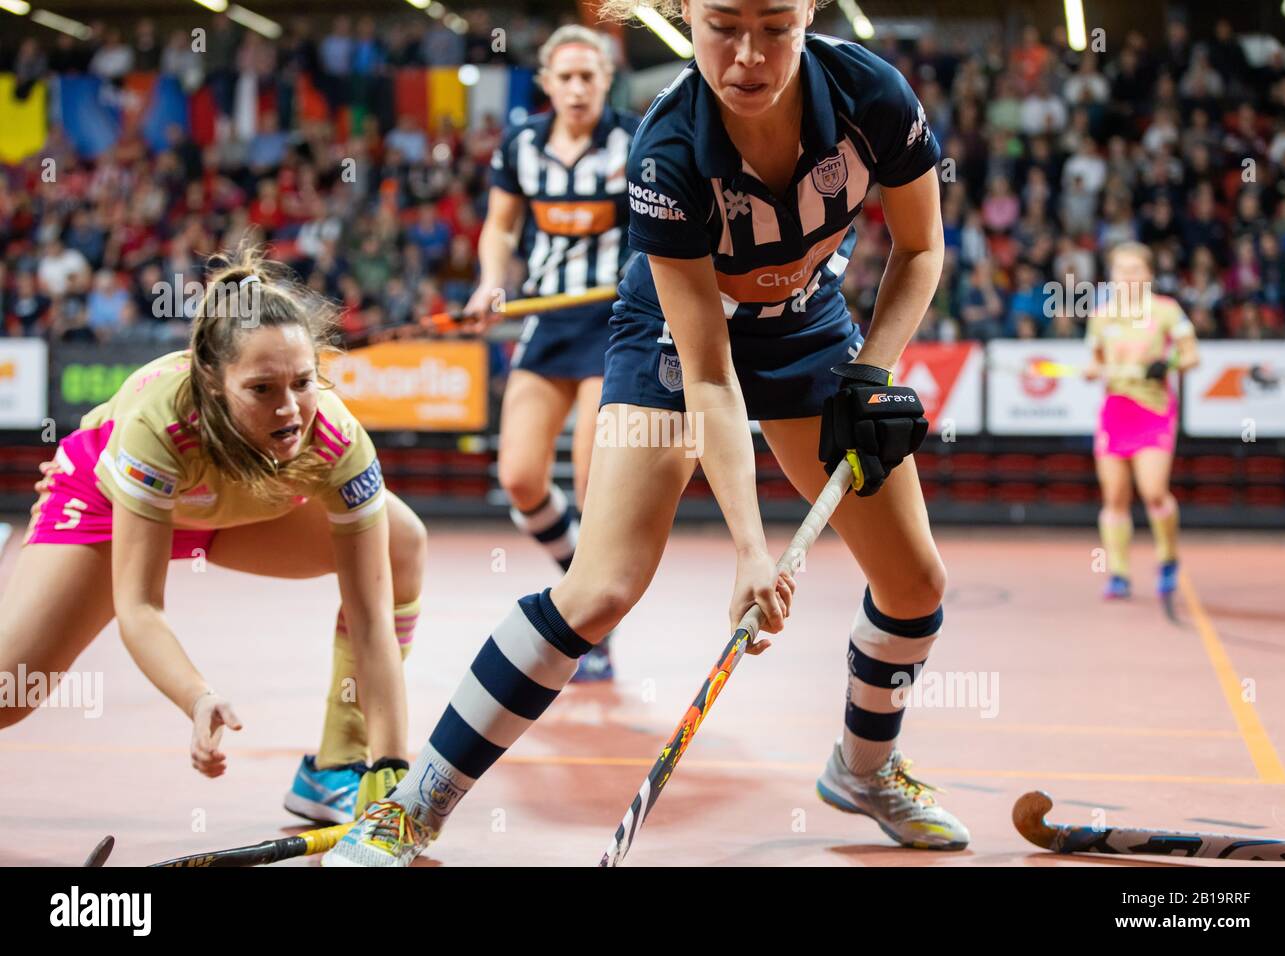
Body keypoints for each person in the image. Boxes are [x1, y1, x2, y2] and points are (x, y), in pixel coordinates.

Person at [325, 0, 966, 866]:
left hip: (810, 331)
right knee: (599, 590)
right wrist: (751, 550)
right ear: (685, 15)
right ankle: (413, 807)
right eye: (723, 26)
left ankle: (864, 769)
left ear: (810, 11)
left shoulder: (872, 95)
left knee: (916, 585)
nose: (748, 55)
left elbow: (920, 248)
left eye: (776, 27)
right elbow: (710, 373)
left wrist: (871, 373)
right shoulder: (667, 149)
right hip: (673, 337)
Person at [1, 249, 427, 825]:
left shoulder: (336, 438)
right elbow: (140, 607)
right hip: (113, 503)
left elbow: (373, 617)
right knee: (9, 694)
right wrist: (197, 696)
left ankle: (337, 767)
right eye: (262, 388)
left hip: (240, 509)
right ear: (213, 382)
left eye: (303, 383)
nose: (290, 410)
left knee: (402, 544)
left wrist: (392, 768)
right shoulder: (158, 424)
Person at [464, 25, 641, 681]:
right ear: (546, 83)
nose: (576, 88)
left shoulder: (634, 140)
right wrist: (491, 282)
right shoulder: (521, 145)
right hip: (547, 318)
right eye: (564, 77)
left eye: (588, 76)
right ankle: (580, 577)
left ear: (606, 81)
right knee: (519, 477)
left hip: (615, 321)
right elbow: (501, 225)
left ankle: (589, 620)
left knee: (595, 483)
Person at [1085, 242, 1199, 601]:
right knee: (1114, 497)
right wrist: (1093, 370)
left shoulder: (1166, 310)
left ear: (1149, 274)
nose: (1128, 276)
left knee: (1153, 492)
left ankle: (1168, 559)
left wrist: (1167, 365)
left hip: (1153, 409)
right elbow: (1096, 361)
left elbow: (1191, 356)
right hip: (1115, 411)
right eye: (1121, 270)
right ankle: (1118, 573)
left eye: (1135, 270)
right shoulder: (1101, 316)